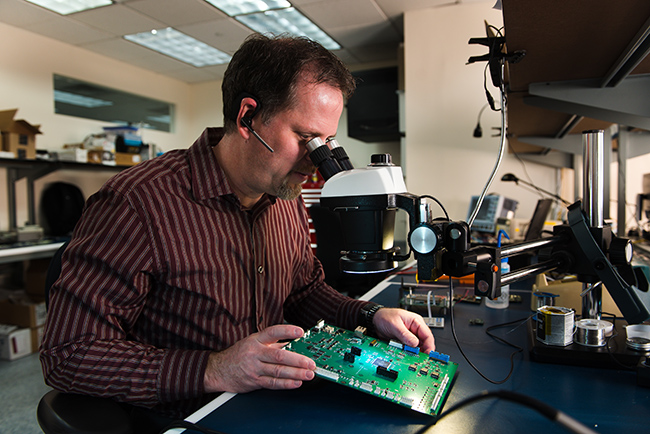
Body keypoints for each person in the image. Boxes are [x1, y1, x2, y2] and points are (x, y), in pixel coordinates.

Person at [40, 34, 435, 426]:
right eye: (304, 138)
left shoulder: (285, 192)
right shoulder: (137, 203)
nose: (317, 161)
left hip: (272, 401)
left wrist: (370, 314)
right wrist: (214, 369)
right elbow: (68, 354)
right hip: (188, 415)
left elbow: (303, 291)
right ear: (248, 117)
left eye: (327, 141)